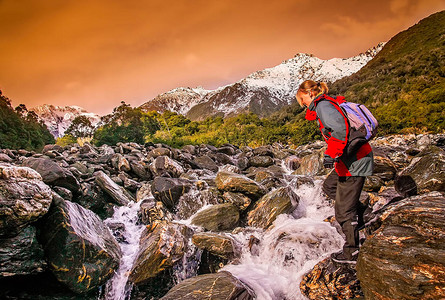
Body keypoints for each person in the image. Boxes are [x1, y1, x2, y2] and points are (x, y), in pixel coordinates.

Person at [296, 80, 374, 264]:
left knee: (343, 211)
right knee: (329, 186)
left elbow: (340, 129)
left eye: (302, 99)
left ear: (309, 94)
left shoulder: (323, 106)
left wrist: (331, 154)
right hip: (350, 158)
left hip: (355, 161)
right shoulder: (326, 103)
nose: (303, 104)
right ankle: (366, 215)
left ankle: (352, 251)